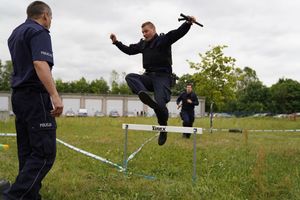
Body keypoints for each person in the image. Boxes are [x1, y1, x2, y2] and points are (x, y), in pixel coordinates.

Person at [2, 1, 63, 200]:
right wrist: (54, 95)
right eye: (51, 17)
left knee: (27, 150)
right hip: (35, 96)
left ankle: (29, 195)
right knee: (45, 153)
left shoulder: (15, 33)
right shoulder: (39, 32)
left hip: (18, 96)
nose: (51, 21)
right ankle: (14, 196)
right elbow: (39, 62)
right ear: (45, 15)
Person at [110, 16, 197, 145]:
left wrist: (188, 23)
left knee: (160, 106)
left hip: (163, 77)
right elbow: (129, 50)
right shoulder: (143, 44)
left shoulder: (163, 40)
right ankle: (144, 94)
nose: (144, 34)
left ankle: (163, 129)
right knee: (130, 77)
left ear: (153, 30)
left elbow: (177, 34)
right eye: (143, 32)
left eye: (146, 31)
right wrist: (116, 42)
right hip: (148, 77)